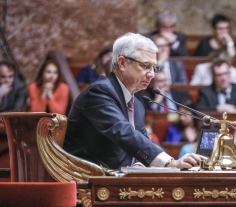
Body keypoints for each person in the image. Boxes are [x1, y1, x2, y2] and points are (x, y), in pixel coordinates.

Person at [64, 33, 204, 170]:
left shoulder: (136, 103)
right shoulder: (100, 93)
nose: (152, 74)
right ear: (122, 63)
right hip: (86, 180)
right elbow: (124, 133)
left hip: (115, 178)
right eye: (145, 66)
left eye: (154, 68)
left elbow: (141, 144)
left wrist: (169, 163)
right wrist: (170, 163)